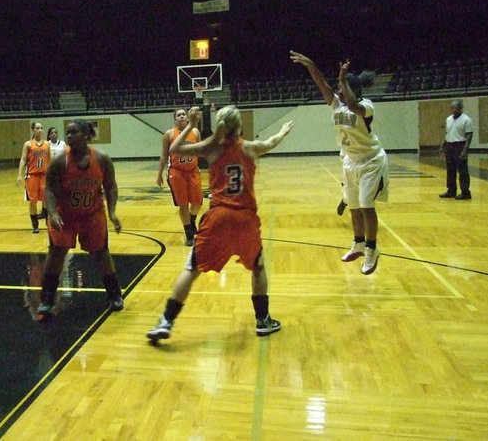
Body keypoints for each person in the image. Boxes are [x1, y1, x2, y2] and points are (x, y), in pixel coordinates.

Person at [146, 107, 294, 342]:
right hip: (245, 219)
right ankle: (263, 320)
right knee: (258, 266)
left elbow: (174, 149)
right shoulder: (249, 147)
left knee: (191, 269)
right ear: (239, 127)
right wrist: (283, 132)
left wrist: (189, 127)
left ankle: (166, 321)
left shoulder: (211, 147)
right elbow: (271, 142)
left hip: (218, 218)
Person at [290, 50, 389, 275]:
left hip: (370, 161)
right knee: (353, 206)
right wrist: (310, 64)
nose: (338, 90)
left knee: (366, 205)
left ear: (351, 89)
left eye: (342, 87)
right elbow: (321, 83)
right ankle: (359, 243)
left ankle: (373, 249)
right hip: (350, 161)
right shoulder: (336, 105)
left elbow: (354, 107)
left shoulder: (367, 105)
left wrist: (344, 79)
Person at [36, 119, 124, 320]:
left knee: (101, 253)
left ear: (86, 135)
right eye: (67, 133)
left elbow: (111, 186)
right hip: (65, 214)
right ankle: (46, 299)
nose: (68, 136)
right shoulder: (60, 161)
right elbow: (49, 190)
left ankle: (115, 294)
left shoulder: (101, 159)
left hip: (92, 214)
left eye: (73, 132)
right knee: (56, 254)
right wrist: (53, 213)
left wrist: (112, 212)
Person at [156, 108, 203, 245]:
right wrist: (159, 174)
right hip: (177, 172)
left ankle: (192, 220)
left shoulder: (195, 132)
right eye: (178, 115)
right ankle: (188, 234)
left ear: (188, 117)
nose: (181, 116)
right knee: (183, 205)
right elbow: (164, 155)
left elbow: (200, 150)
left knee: (197, 203)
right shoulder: (169, 134)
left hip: (193, 170)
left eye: (183, 114)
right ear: (175, 119)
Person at [16, 122, 50, 233]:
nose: (39, 130)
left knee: (47, 200)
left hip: (44, 176)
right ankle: (35, 225)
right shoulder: (28, 144)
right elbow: (23, 159)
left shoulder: (47, 144)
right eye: (37, 128)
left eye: (41, 128)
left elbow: (51, 160)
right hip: (32, 176)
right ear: (33, 130)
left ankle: (49, 224)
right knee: (33, 201)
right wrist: (19, 175)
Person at [439, 99, 473, 200]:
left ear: (461, 108)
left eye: (456, 108)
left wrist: (465, 150)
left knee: (462, 170)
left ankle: (465, 192)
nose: (454, 110)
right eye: (452, 108)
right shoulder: (448, 119)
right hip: (449, 145)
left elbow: (469, 135)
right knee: (450, 169)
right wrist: (443, 146)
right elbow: (448, 133)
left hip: (460, 145)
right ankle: (451, 191)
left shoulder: (466, 120)